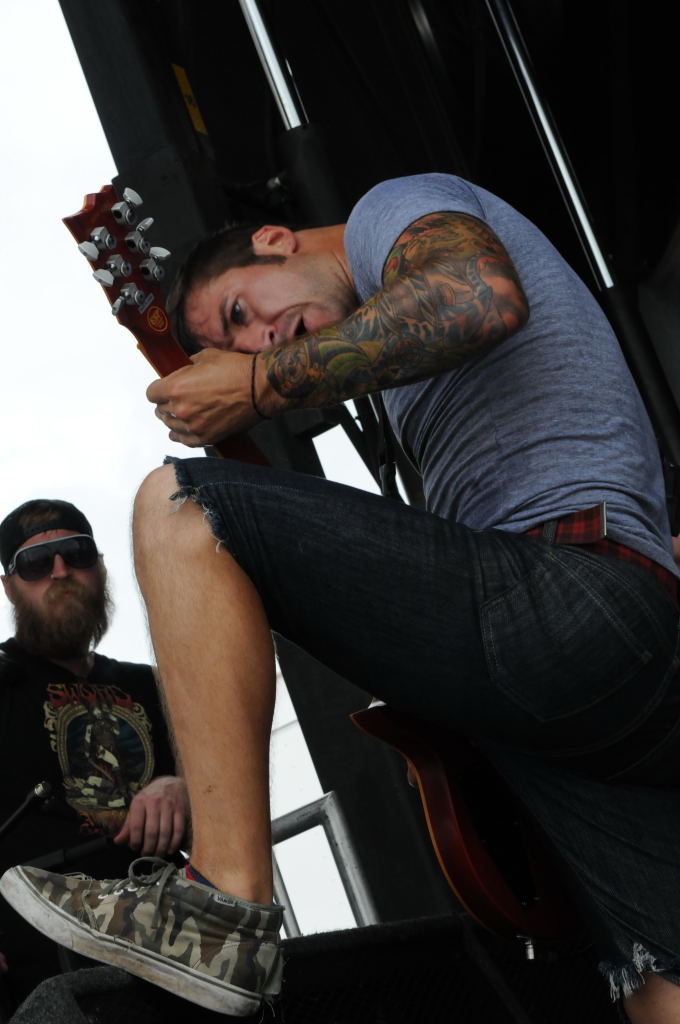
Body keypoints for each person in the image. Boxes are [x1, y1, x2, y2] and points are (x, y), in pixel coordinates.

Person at [2, 173, 679, 1023]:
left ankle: (223, 908)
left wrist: (254, 387)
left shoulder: (389, 210)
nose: (260, 342)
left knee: (176, 503)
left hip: (568, 597)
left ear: (274, 241)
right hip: (600, 676)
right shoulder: (408, 386)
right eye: (240, 347)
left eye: (240, 312)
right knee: (654, 981)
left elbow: (475, 296)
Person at [0, 499, 188, 1009]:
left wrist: (185, 786)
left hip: (178, 954)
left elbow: (228, 789)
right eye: (36, 563)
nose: (60, 571)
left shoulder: (153, 686)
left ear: (100, 568)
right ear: (10, 586)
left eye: (76, 553)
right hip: (50, 980)